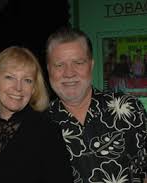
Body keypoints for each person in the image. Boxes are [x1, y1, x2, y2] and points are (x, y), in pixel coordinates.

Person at [45, 27, 147, 183]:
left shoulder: (129, 108)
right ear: (48, 69)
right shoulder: (39, 123)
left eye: (78, 62)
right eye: (59, 65)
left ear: (91, 65)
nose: (69, 73)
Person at [0, 46, 73, 183]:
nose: (18, 87)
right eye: (10, 77)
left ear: (34, 88)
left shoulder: (47, 131)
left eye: (27, 80)